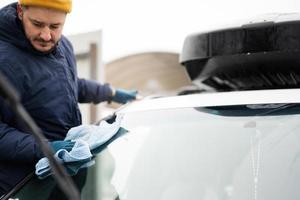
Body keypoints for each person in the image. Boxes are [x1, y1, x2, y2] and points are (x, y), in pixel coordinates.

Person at [0, 0, 138, 196]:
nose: (46, 35)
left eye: (55, 26)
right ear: (21, 11)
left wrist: (111, 93)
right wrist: (44, 148)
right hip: (23, 188)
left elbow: (70, 84)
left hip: (65, 181)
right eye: (37, 24)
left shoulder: (63, 46)